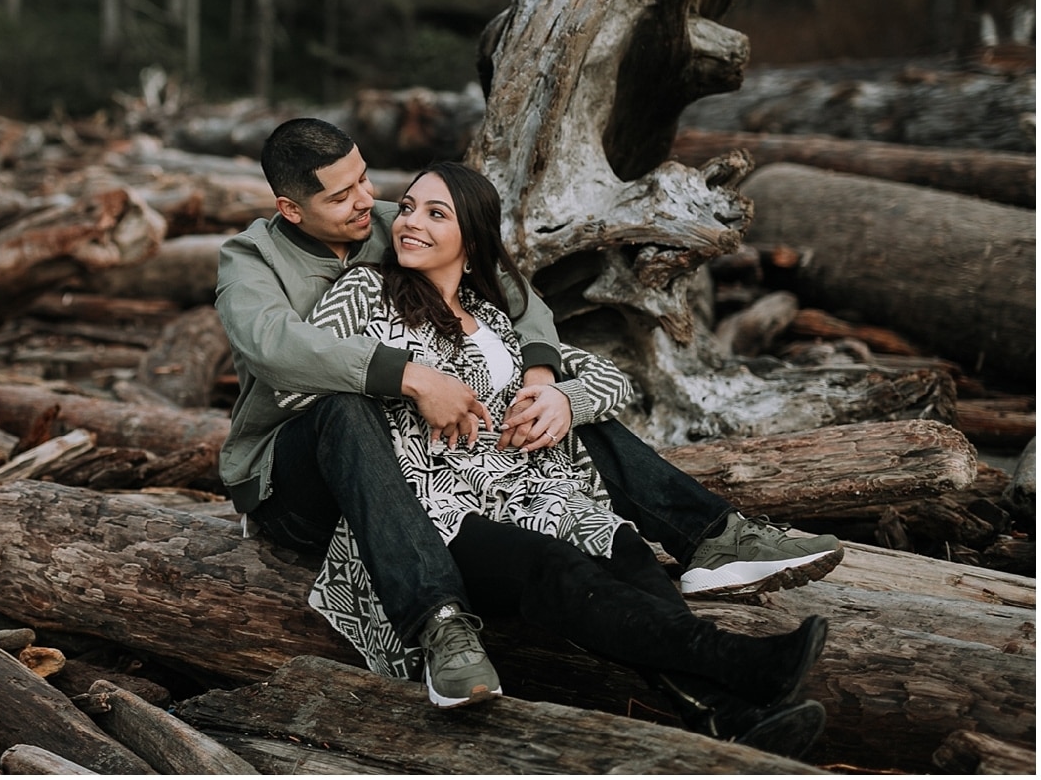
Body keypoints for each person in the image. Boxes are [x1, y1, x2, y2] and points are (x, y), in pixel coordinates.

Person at [216, 121, 842, 738]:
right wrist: (413, 377)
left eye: (365, 180)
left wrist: (543, 381)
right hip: (297, 474)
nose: (369, 203)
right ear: (291, 210)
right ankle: (438, 623)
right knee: (343, 410)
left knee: (562, 432)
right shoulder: (254, 260)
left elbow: (512, 292)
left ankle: (713, 569)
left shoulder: (386, 224)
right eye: (341, 195)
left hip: (439, 468)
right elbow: (275, 350)